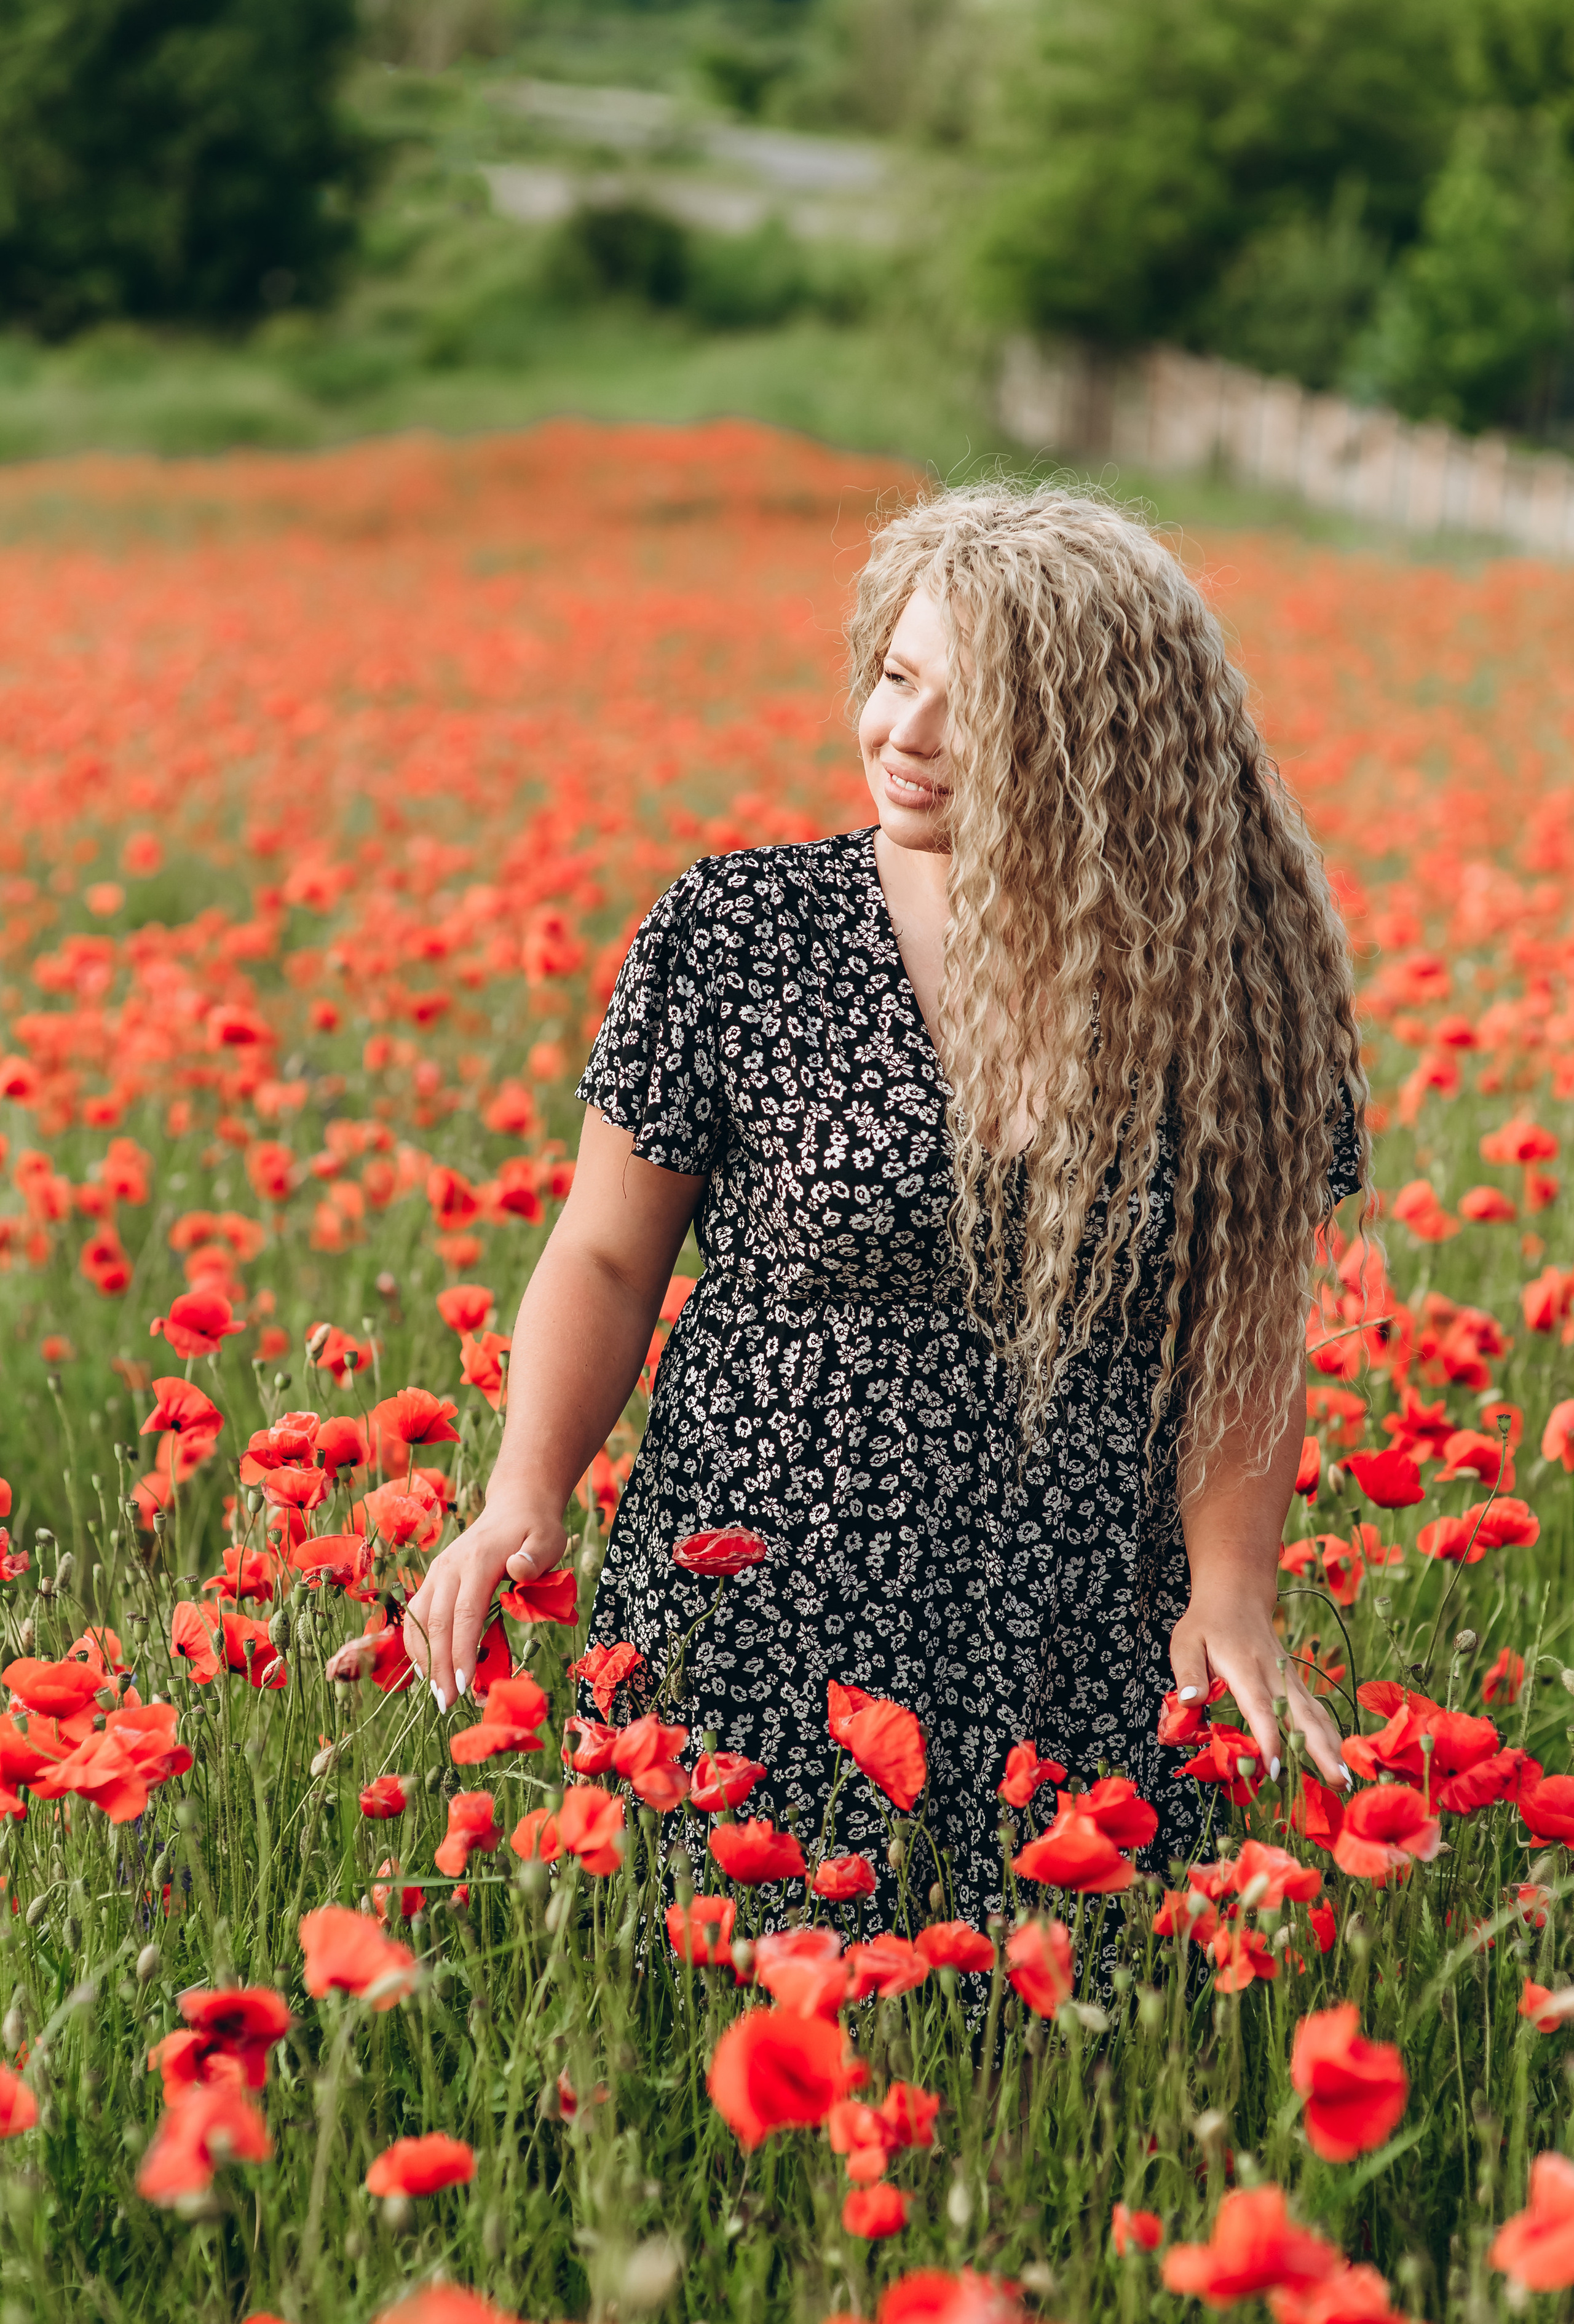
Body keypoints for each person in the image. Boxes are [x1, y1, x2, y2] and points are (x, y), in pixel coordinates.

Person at [406, 483, 1366, 1926]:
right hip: (767, 1596)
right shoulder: (739, 932)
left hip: (1076, 1614)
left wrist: (1228, 1593)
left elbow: (1239, 1316)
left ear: (1099, 751)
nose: (900, 736)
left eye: (965, 704)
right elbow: (606, 1256)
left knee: (1062, 2040)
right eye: (892, 675)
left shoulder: (1224, 988)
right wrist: (517, 1501)